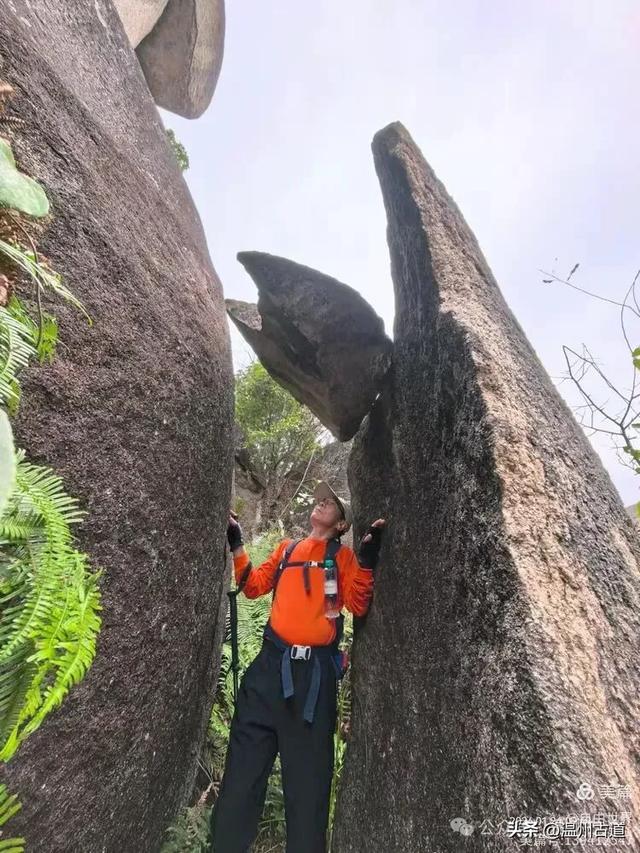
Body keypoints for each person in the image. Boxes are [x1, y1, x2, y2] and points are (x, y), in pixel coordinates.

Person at [210, 481, 385, 853]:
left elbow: (356, 604)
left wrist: (367, 559)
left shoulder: (341, 559)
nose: (322, 503)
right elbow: (254, 586)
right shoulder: (287, 550)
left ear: (341, 524)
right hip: (267, 671)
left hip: (313, 683)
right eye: (320, 499)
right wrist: (238, 543)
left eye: (331, 503)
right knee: (240, 778)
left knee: (308, 791)